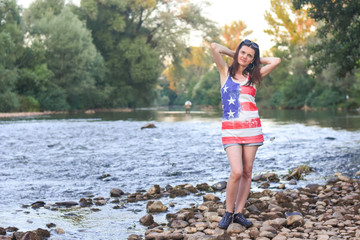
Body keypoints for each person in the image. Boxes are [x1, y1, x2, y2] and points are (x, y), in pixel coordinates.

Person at [211, 39, 281, 229]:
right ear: (237, 53)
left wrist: (255, 61)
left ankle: (239, 213)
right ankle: (228, 212)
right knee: (237, 171)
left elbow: (276, 61)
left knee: (248, 172)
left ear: (253, 60)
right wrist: (236, 55)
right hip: (231, 130)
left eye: (250, 56)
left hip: (252, 129)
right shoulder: (225, 72)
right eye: (243, 53)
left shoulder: (254, 76)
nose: (245, 57)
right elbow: (215, 47)